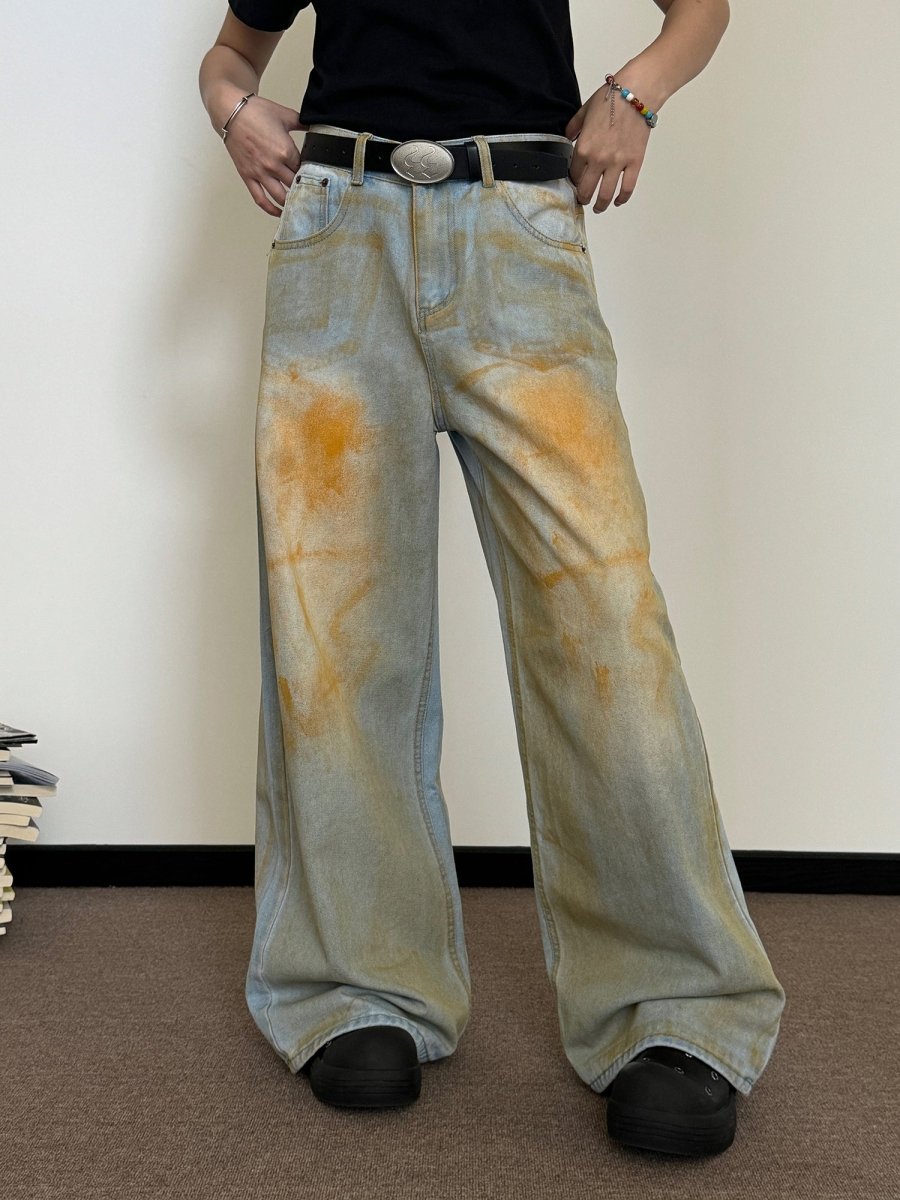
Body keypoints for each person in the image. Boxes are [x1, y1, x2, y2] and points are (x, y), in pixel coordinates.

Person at [199, 0, 785, 1158]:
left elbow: (702, 8)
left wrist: (636, 95)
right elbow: (231, 54)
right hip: (339, 237)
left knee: (604, 623)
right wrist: (230, 112)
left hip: (518, 229)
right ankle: (360, 986)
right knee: (336, 638)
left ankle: (675, 1008)